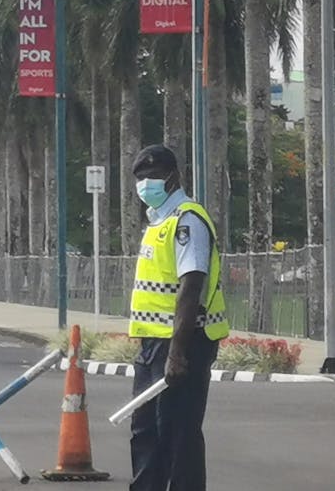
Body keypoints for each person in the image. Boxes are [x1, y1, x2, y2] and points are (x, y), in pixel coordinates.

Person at [128, 144, 229, 491]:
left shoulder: (187, 220)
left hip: (183, 344)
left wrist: (177, 351)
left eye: (153, 177)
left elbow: (191, 286)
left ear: (173, 177)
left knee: (178, 434)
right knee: (146, 432)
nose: (146, 184)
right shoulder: (160, 221)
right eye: (140, 178)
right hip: (153, 345)